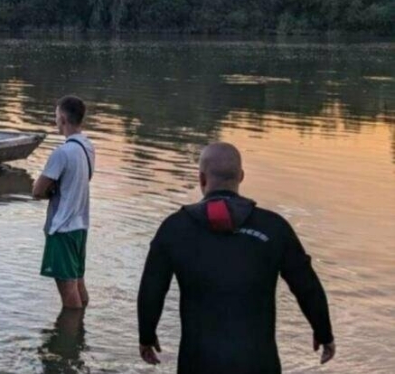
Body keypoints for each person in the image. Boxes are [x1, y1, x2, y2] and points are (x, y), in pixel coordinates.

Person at [137, 142, 335, 374]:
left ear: (201, 178)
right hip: (259, 362)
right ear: (241, 176)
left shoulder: (175, 228)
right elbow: (306, 286)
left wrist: (147, 336)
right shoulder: (274, 227)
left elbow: (152, 288)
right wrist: (323, 333)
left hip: (198, 361)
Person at [32, 95, 95, 309]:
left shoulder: (62, 153)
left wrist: (51, 192)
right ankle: (81, 332)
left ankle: (71, 339)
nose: (55, 120)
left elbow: (37, 190)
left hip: (62, 228)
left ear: (63, 119)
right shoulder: (87, 147)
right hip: (80, 226)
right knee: (78, 283)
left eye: (56, 116)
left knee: (68, 294)